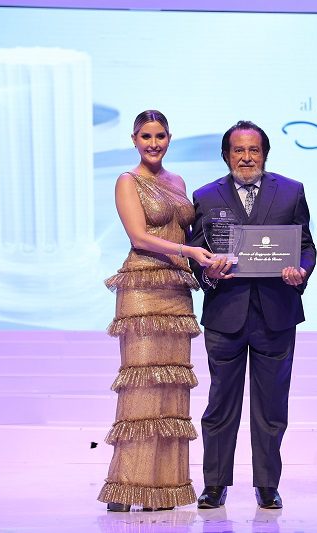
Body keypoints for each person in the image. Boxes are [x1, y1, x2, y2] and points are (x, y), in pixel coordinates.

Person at [189, 120, 316, 510]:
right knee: (219, 406)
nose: (246, 157)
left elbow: (306, 247)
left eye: (254, 150)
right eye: (238, 150)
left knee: (272, 407)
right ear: (226, 155)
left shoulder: (291, 191)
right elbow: (197, 252)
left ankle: (267, 484)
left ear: (265, 154)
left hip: (276, 312)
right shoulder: (205, 195)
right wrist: (207, 273)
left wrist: (301, 271)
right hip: (225, 313)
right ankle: (215, 485)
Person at [98, 110, 215, 512]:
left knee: (171, 387)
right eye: (146, 136)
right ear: (134, 139)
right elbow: (139, 237)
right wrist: (188, 251)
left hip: (177, 291)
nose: (153, 143)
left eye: (160, 136)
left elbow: (191, 232)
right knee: (143, 386)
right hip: (143, 291)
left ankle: (161, 490)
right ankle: (127, 487)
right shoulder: (127, 181)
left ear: (169, 138)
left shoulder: (178, 181)